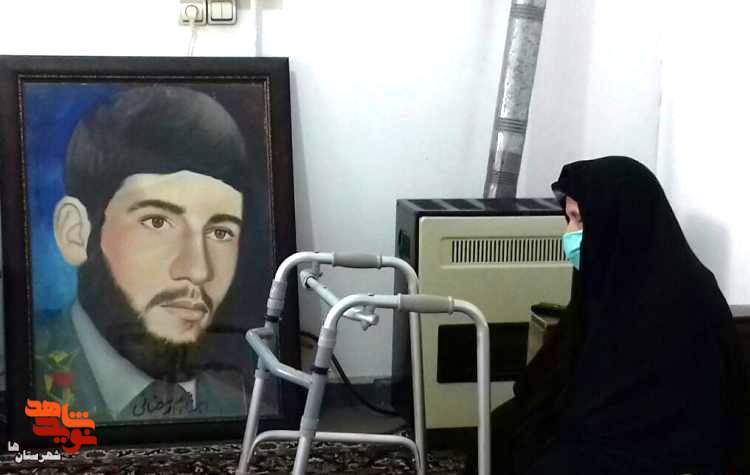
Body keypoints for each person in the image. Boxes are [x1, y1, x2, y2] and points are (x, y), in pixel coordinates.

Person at [466, 156, 749, 474]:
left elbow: (663, 403)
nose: (569, 233)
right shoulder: (610, 274)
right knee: (501, 430)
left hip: (655, 442)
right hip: (599, 421)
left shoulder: (682, 295)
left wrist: (575, 422)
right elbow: (571, 361)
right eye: (568, 219)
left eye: (580, 221)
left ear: (617, 222)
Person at [34, 85, 257, 422]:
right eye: (157, 222)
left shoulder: (246, 411)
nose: (198, 270)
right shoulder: (23, 378)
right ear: (75, 232)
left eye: (220, 232)